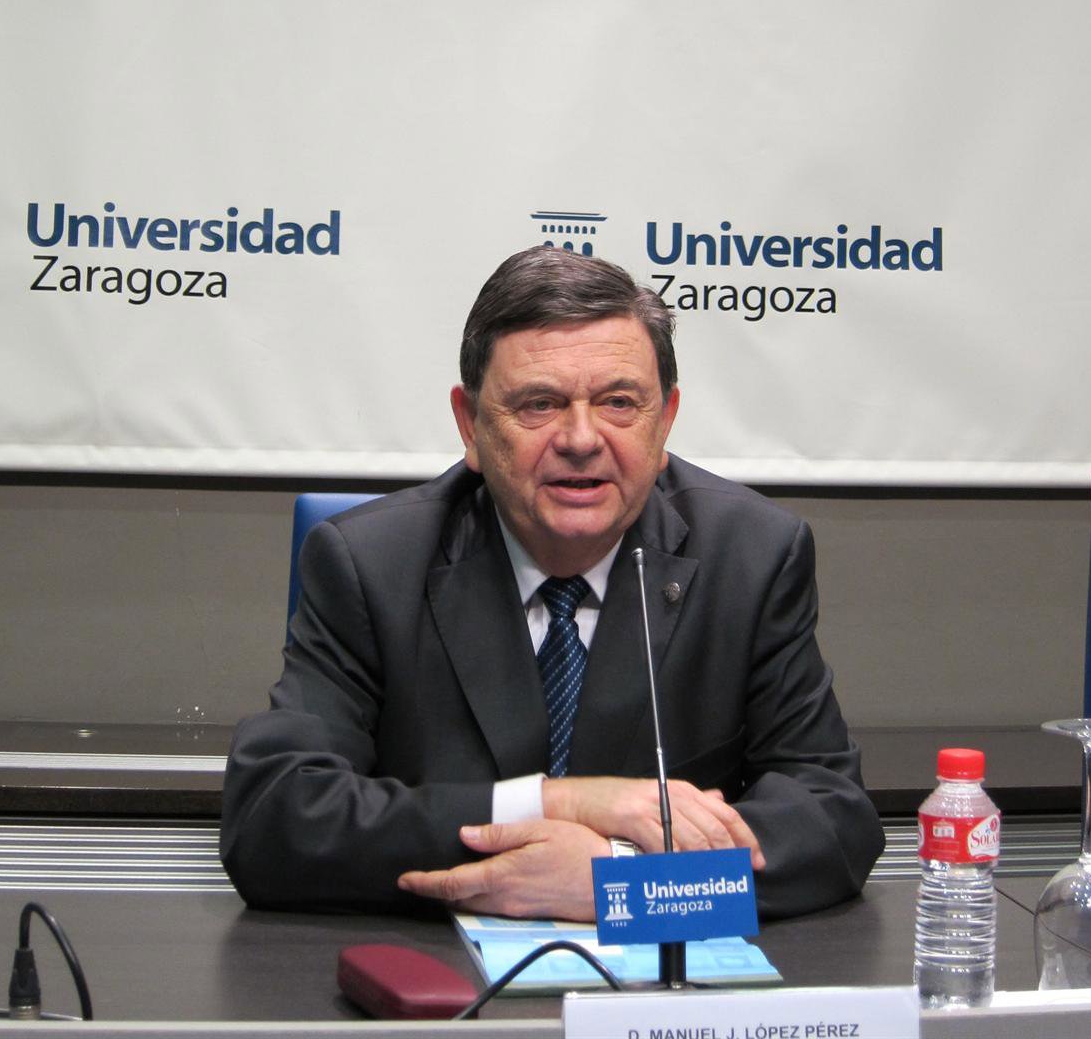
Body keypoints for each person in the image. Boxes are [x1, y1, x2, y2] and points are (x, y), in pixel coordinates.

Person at [221, 247, 884, 920]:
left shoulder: (752, 556)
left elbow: (832, 819)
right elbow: (274, 817)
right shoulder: (370, 564)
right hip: (437, 968)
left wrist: (618, 886)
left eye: (619, 403)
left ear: (665, 421)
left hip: (662, 967)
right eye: (539, 404)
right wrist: (555, 803)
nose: (581, 438)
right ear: (470, 425)